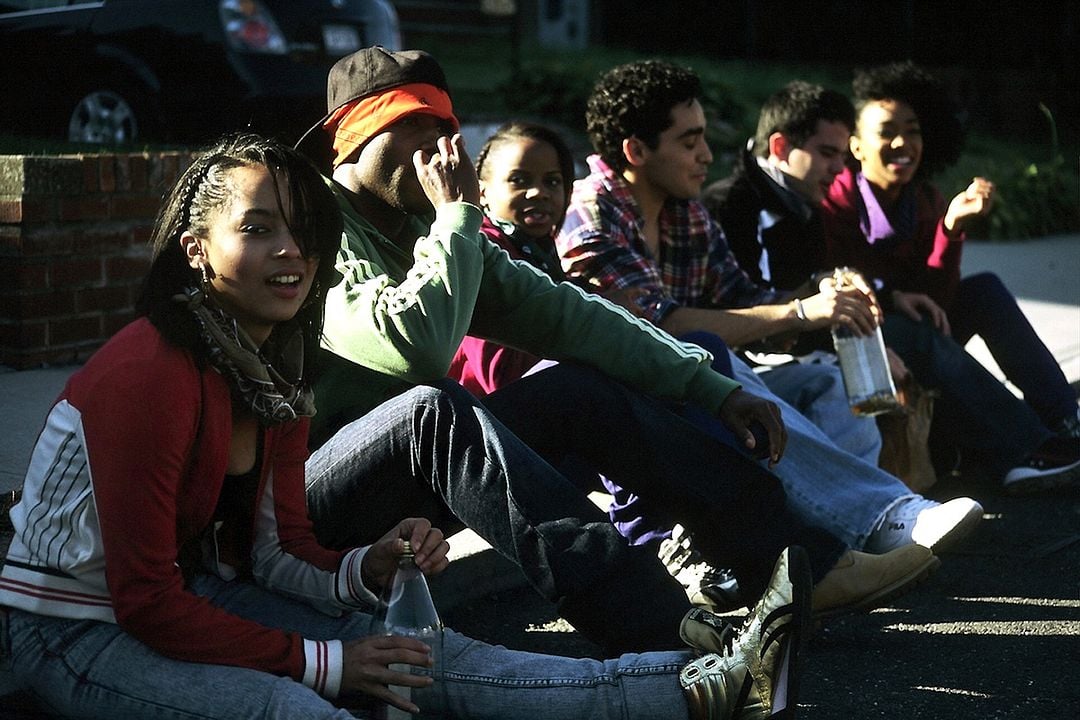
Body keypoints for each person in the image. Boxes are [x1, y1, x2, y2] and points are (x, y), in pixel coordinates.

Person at [0, 133, 812, 720]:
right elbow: (144, 603)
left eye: (301, 231)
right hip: (70, 631)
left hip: (204, 592)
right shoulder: (150, 372)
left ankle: (700, 686)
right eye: (257, 230)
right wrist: (329, 662)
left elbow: (275, 554)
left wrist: (365, 567)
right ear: (197, 251)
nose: (292, 253)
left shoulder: (272, 360)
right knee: (303, 707)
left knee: (421, 658)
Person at [292, 45, 940, 634]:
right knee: (434, 407)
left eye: (447, 127)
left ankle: (795, 570)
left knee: (585, 389)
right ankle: (661, 632)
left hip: (422, 462)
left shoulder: (426, 230)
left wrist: (710, 388)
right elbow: (414, 347)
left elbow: (572, 315)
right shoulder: (319, 224)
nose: (441, 148)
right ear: (355, 138)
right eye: (416, 126)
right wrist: (459, 216)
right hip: (312, 495)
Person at [555, 59, 983, 572]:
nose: (706, 156)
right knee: (709, 358)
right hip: (623, 414)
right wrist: (799, 311)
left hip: (691, 390)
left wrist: (826, 298)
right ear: (636, 151)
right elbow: (659, 330)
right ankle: (882, 515)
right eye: (690, 143)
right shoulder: (591, 215)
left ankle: (834, 543)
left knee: (828, 383)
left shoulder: (683, 210)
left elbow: (746, 297)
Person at [819, 61, 1080, 494]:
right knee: (911, 329)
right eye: (886, 131)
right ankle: (1025, 450)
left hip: (916, 333)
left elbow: (936, 299)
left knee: (985, 291)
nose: (903, 142)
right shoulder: (838, 197)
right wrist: (889, 296)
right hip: (862, 344)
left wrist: (951, 227)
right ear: (857, 147)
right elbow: (838, 281)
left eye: (914, 130)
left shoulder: (923, 199)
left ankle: (1064, 420)